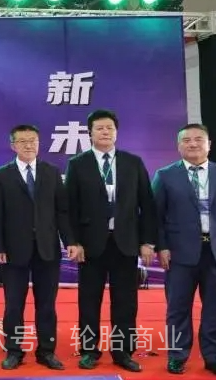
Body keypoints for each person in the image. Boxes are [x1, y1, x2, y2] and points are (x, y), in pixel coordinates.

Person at [66, 109, 156, 372]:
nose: (105, 132)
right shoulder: (78, 164)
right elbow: (70, 208)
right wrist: (74, 241)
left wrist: (147, 242)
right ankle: (89, 351)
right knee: (89, 301)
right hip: (90, 245)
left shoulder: (133, 162)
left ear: (116, 132)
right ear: (90, 133)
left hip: (125, 243)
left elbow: (147, 205)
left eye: (109, 128)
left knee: (125, 301)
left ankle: (123, 352)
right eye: (99, 128)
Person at [0, 125, 72, 370]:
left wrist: (70, 242)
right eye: (22, 141)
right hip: (14, 250)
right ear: (12, 145)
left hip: (47, 249)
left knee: (46, 305)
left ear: (39, 143)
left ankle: (46, 351)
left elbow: (62, 211)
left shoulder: (52, 172)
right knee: (14, 305)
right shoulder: (0, 175)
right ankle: (14, 351)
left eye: (32, 140)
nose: (28, 145)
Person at [152, 123, 215, 374]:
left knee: (214, 308)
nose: (193, 144)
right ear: (179, 146)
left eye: (199, 139)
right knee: (178, 308)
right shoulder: (166, 175)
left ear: (209, 144)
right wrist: (162, 246)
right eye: (186, 140)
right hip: (179, 254)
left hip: (213, 252)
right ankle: (177, 355)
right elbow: (155, 216)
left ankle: (212, 355)